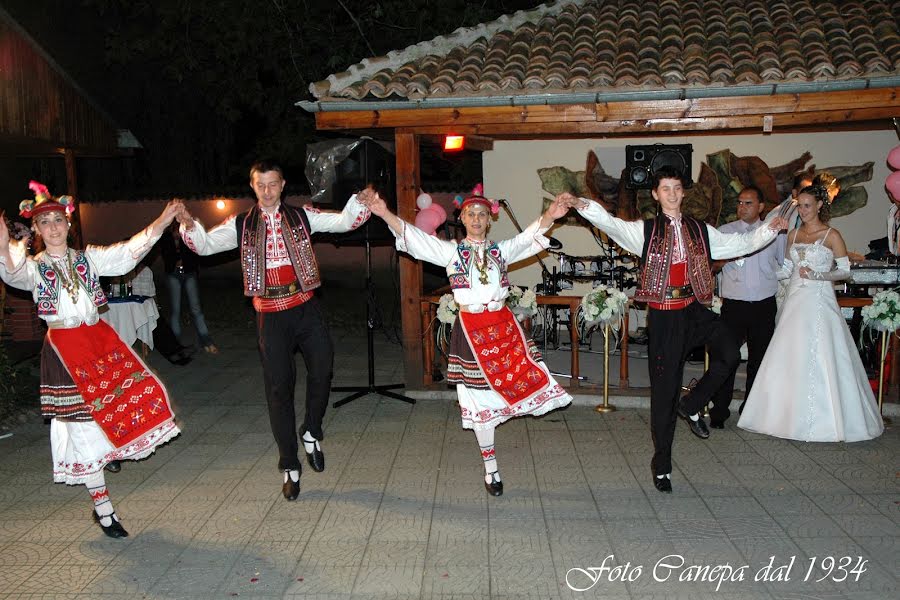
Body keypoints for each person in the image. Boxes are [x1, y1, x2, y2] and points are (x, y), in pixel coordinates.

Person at [558, 166, 787, 493]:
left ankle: (692, 404)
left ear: (683, 192)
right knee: (664, 395)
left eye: (676, 188)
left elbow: (738, 243)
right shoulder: (645, 231)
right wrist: (582, 204)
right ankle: (662, 463)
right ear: (655, 194)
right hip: (664, 317)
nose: (671, 194)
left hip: (694, 309)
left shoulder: (700, 229)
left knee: (729, 353)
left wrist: (769, 230)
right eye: (665, 188)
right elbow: (611, 223)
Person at [177, 160, 373, 501]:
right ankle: (289, 465)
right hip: (270, 314)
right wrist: (189, 226)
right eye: (260, 185)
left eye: (273, 184)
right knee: (279, 390)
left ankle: (311, 429)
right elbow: (205, 245)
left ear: (283, 185)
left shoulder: (302, 216)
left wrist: (360, 201)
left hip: (305, 306)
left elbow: (342, 222)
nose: (267, 191)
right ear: (253, 187)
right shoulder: (241, 224)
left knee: (323, 369)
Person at [0, 181, 184, 538]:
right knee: (83, 431)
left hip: (99, 343)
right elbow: (9, 270)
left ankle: (112, 454)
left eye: (58, 220)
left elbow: (129, 252)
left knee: (136, 398)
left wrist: (162, 221)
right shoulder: (33, 268)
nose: (53, 227)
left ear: (69, 224)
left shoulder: (88, 259)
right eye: (45, 222)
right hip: (66, 352)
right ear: (36, 230)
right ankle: (104, 510)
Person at [364, 190, 573, 496]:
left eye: (482, 215)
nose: (476, 220)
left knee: (527, 381)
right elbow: (415, 239)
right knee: (479, 402)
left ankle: (497, 457)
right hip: (472, 333)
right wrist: (384, 212)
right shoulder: (450, 253)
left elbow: (528, 238)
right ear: (461, 219)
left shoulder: (501, 252)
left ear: (490, 220)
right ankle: (492, 470)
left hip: (503, 329)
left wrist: (550, 216)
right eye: (471, 214)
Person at [738, 186, 884, 442]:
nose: (803, 211)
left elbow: (844, 271)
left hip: (818, 299)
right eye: (800, 206)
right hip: (795, 299)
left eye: (807, 206)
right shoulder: (793, 234)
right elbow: (785, 268)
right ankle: (781, 415)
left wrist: (819, 275)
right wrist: (764, 274)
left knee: (822, 351)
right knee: (789, 352)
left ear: (819, 206)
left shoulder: (831, 235)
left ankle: (826, 418)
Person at [708, 186, 785, 428]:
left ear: (761, 207)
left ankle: (751, 410)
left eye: (748, 203)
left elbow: (783, 264)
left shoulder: (774, 232)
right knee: (727, 357)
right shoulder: (725, 231)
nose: (742, 207)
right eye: (740, 203)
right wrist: (726, 259)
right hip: (734, 305)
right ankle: (719, 411)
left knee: (759, 360)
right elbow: (712, 265)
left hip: (763, 304)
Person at [160, 220, 217, 353]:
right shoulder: (166, 238)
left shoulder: (187, 236)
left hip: (189, 273)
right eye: (175, 229)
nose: (177, 233)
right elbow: (167, 256)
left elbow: (194, 254)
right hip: (173, 274)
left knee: (196, 309)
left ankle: (206, 341)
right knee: (176, 310)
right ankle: (176, 344)